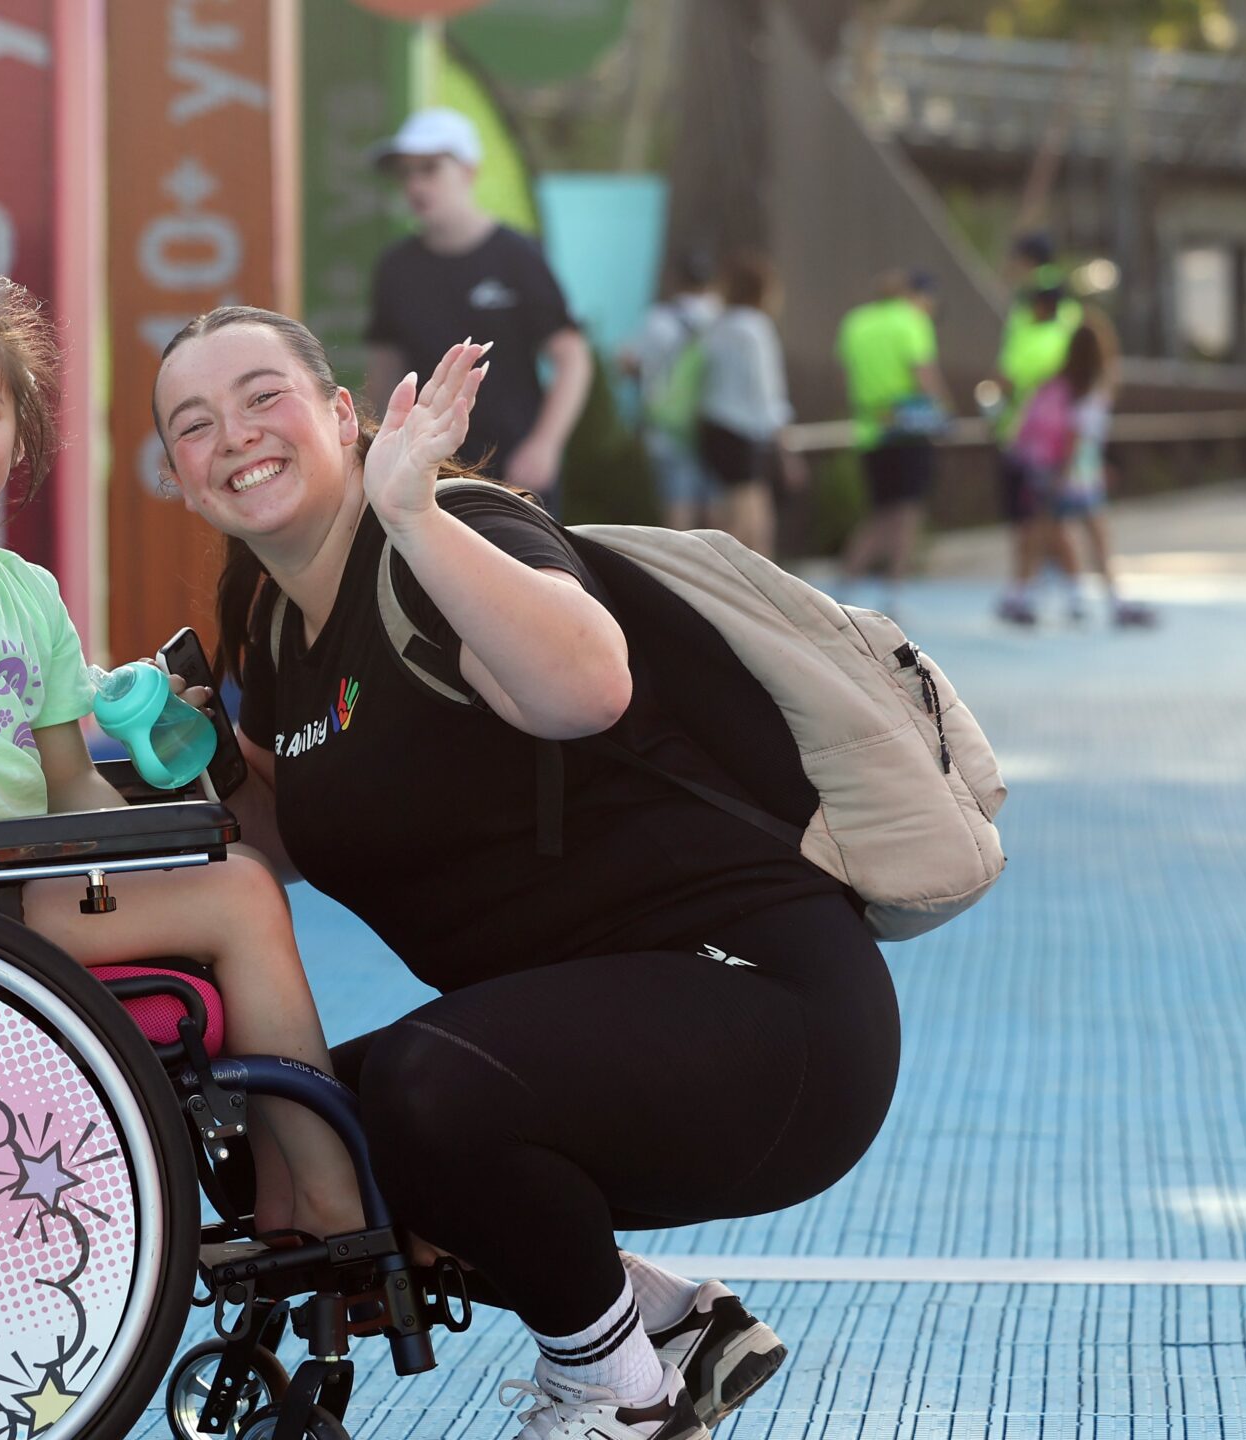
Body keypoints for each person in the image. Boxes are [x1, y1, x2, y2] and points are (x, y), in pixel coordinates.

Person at [153, 305, 901, 1440]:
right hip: (607, 1027)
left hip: (766, 1003)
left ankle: (608, 1392)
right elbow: (292, 846)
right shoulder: (265, 620)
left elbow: (586, 687)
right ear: (181, 476)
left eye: (265, 398)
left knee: (418, 1091)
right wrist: (196, 756)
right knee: (289, 1138)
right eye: (195, 424)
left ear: (341, 416)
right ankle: (662, 1324)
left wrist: (412, 512)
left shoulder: (453, 527)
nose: (237, 435)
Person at [0, 144, 367, 1243]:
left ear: (19, 439)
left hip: (12, 876)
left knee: (225, 873)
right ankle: (322, 1203)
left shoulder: (28, 594)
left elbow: (68, 781)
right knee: (239, 898)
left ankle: (291, 1193)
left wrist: (166, 833)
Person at [364, 107, 592, 510]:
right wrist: (378, 442)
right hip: (428, 473)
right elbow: (385, 368)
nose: (415, 184)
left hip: (515, 473)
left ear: (469, 171)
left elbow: (572, 358)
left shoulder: (517, 256)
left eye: (430, 168)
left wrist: (545, 444)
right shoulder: (395, 268)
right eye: (406, 173)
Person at [1013, 312, 1157, 628]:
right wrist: (1066, 472)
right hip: (1075, 474)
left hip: (1054, 469)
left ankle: (1031, 596)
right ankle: (1110, 600)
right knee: (1094, 538)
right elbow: (1077, 436)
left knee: (1047, 533)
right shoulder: (1092, 388)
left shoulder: (1058, 383)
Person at [833, 269, 950, 613]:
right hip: (909, 428)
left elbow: (844, 376)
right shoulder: (911, 321)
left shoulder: (854, 323)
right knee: (907, 512)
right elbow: (924, 373)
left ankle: (848, 579)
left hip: (871, 429)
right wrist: (944, 413)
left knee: (880, 511)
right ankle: (894, 589)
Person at [992, 235, 1083, 625]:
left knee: (1038, 519)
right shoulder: (1066, 313)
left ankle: (1040, 592)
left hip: (1032, 435)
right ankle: (1048, 592)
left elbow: (1016, 369)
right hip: (1038, 435)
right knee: (1044, 519)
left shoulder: (1036, 311)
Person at [692, 252, 802, 557]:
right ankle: (744, 592)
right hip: (742, 431)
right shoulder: (755, 326)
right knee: (755, 524)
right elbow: (768, 392)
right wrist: (786, 449)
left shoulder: (717, 324)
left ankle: (720, 584)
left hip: (712, 426)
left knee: (732, 516)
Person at [623, 252, 722, 532]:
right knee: (715, 503)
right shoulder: (720, 316)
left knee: (678, 503)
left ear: (677, 280)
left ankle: (679, 571)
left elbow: (630, 361)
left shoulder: (660, 319)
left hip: (667, 426)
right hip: (714, 421)